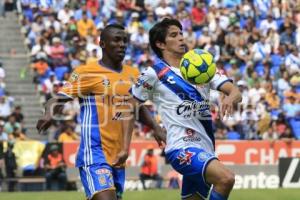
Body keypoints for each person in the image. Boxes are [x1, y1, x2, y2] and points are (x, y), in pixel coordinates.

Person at [37, 24, 164, 200]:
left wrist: (155, 127)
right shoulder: (87, 72)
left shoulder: (133, 74)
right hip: (94, 153)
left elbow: (136, 107)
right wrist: (49, 113)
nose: (122, 44)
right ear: (102, 43)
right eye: (117, 40)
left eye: (125, 41)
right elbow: (58, 98)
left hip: (119, 156)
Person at [130, 18, 242, 200]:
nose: (181, 38)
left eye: (181, 33)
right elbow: (131, 105)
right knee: (226, 178)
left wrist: (230, 97)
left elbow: (236, 92)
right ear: (160, 44)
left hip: (206, 149)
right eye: (174, 35)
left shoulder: (201, 65)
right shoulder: (154, 73)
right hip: (181, 147)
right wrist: (155, 127)